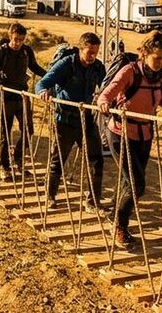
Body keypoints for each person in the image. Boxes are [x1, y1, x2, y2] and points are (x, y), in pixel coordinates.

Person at [97, 31, 162, 249]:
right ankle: (119, 226)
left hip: (145, 134)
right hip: (120, 132)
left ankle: (114, 215)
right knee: (137, 184)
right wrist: (104, 102)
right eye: (158, 58)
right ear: (144, 54)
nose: (161, 62)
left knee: (130, 180)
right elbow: (107, 93)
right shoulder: (130, 71)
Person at [36, 32, 107, 211]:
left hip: (86, 118)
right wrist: (43, 92)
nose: (93, 57)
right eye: (89, 52)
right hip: (65, 120)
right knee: (58, 160)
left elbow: (107, 88)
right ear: (81, 49)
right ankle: (50, 196)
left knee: (96, 160)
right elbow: (42, 83)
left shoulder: (98, 67)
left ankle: (92, 201)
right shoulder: (66, 64)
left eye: (96, 52)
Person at [0, 23, 46, 181]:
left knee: (28, 129)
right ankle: (4, 166)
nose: (18, 43)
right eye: (16, 39)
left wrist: (49, 77)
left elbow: (34, 67)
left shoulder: (26, 51)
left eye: (22, 39)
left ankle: (18, 159)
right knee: (5, 132)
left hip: (22, 94)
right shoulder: (2, 51)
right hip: (5, 95)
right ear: (10, 36)